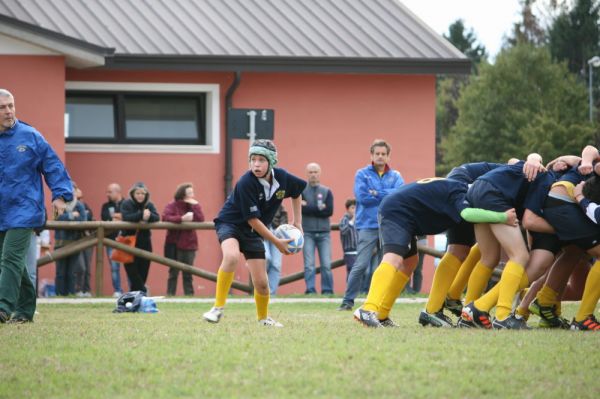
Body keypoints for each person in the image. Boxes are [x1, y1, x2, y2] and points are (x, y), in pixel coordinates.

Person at [352, 177, 516, 328]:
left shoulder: (463, 188)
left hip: (404, 211)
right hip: (398, 211)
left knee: (410, 262)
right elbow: (467, 214)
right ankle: (368, 308)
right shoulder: (462, 194)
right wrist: (502, 217)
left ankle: (381, 314)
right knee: (393, 258)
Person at [202, 139, 306, 327]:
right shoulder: (245, 182)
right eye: (253, 159)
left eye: (261, 160)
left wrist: (297, 221)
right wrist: (276, 242)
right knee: (231, 256)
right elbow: (252, 219)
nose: (256, 164)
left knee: (262, 283)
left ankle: (264, 319)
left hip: (252, 232)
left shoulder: (282, 178)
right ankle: (217, 309)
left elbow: (297, 191)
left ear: (271, 162)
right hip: (230, 224)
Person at [0, 88, 73, 323]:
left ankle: (2, 308)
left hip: (25, 209)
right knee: (15, 263)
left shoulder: (30, 136)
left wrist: (61, 195)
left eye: (11, 105)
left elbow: (52, 165)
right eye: (2, 108)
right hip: (2, 209)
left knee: (10, 258)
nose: (9, 111)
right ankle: (24, 310)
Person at [338, 139, 404, 311]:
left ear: (388, 156)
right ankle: (347, 302)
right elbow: (362, 198)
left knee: (385, 265)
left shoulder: (396, 176)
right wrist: (386, 195)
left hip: (388, 225)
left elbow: (400, 194)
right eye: (377, 154)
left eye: (383, 154)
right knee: (361, 265)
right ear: (372, 156)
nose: (380, 157)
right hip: (367, 225)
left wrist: (378, 193)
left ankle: (379, 301)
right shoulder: (362, 174)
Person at [162, 183, 205, 296]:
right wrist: (181, 219)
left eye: (192, 192)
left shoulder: (193, 205)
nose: (192, 195)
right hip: (174, 243)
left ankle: (189, 295)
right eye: (189, 193)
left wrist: (196, 205)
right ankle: (170, 294)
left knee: (188, 272)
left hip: (189, 243)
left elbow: (200, 219)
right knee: (173, 272)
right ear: (183, 194)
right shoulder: (172, 205)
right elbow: (165, 217)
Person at [120, 182, 160, 293]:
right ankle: (142, 291)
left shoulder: (149, 204)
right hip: (128, 240)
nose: (140, 196)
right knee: (132, 271)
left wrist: (149, 216)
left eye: (143, 193)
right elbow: (126, 217)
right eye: (138, 193)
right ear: (133, 194)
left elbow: (157, 217)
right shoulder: (126, 203)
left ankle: (137, 296)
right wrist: (141, 215)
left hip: (145, 241)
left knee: (144, 269)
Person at [301, 162, 334, 294]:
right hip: (307, 232)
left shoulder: (327, 191)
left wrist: (309, 207)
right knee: (309, 265)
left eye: (315, 172)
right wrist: (320, 209)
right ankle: (310, 290)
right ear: (306, 174)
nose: (313, 175)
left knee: (326, 264)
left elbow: (329, 211)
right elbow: (301, 210)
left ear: (319, 173)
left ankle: (327, 290)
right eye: (310, 172)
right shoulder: (301, 191)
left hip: (324, 233)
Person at [100, 183, 125, 297]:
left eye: (110, 192)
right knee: (114, 267)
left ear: (117, 192)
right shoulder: (106, 206)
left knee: (130, 267)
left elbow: (129, 215)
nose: (107, 194)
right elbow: (105, 217)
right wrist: (119, 217)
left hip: (126, 240)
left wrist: (119, 216)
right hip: (111, 240)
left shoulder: (127, 204)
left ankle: (132, 289)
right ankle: (118, 290)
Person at [74, 182, 94, 297]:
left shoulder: (84, 205)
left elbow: (88, 216)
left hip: (88, 239)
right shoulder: (69, 206)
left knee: (87, 267)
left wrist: (82, 214)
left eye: (81, 197)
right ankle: (78, 289)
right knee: (80, 267)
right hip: (76, 239)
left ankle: (86, 290)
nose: (80, 199)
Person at [264, 204, 288, 295]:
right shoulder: (257, 197)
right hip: (261, 234)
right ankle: (261, 289)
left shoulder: (277, 200)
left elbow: (284, 215)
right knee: (266, 258)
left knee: (276, 264)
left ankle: (271, 294)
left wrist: (280, 229)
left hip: (277, 235)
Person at [339, 199, 358, 282]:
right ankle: (350, 289)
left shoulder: (359, 220)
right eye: (352, 208)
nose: (355, 210)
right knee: (351, 271)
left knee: (358, 271)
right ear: (347, 209)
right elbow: (343, 231)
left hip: (358, 250)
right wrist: (352, 221)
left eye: (356, 208)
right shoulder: (344, 220)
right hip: (349, 251)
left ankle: (359, 291)